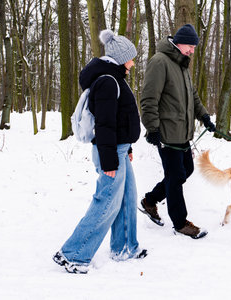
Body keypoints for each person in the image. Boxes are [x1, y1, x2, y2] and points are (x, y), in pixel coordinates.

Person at [53, 30, 147, 274]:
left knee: (127, 199)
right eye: (131, 58)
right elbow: (104, 125)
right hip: (110, 152)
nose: (133, 63)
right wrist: (109, 161)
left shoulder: (113, 78)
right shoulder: (108, 81)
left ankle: (125, 247)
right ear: (120, 58)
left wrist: (127, 147)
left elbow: (120, 119)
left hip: (119, 149)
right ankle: (74, 254)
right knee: (106, 203)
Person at [139, 24, 216, 239]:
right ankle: (180, 222)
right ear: (178, 42)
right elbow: (148, 99)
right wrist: (152, 128)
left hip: (182, 132)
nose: (192, 50)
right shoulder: (160, 62)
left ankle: (150, 201)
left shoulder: (182, 65)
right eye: (190, 46)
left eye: (194, 47)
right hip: (166, 133)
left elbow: (193, 96)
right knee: (175, 177)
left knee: (186, 170)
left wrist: (205, 117)